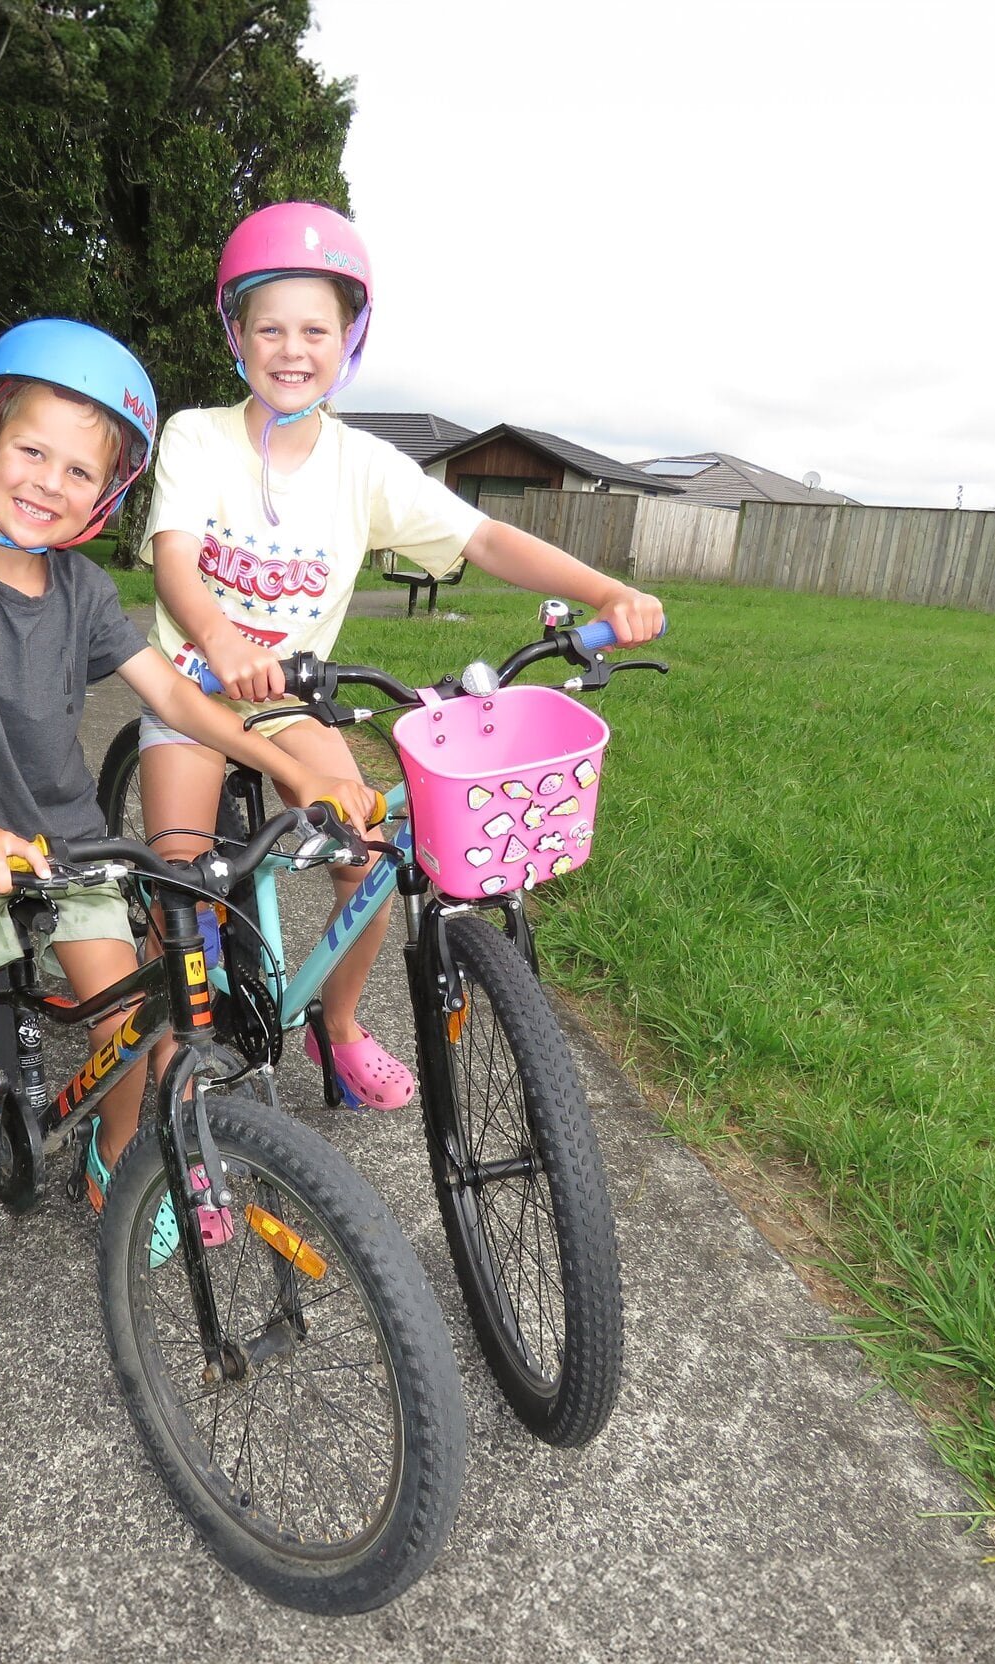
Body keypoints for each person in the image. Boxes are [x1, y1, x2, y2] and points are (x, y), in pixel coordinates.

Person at [0, 318, 376, 1377]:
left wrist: (285, 763)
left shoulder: (85, 592)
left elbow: (172, 699)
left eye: (78, 467)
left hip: (71, 846)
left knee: (144, 1020)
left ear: (106, 490)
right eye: (30, 451)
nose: (47, 482)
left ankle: (116, 1168)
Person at [136, 202, 666, 1111]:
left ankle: (335, 1029)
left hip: (289, 698)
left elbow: (487, 538)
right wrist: (220, 640)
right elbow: (179, 558)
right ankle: (178, 1101)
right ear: (236, 334)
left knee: (368, 856)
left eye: (316, 329)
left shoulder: (363, 466)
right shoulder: (197, 435)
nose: (292, 348)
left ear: (351, 340)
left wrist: (601, 591)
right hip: (191, 687)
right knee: (180, 887)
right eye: (269, 327)